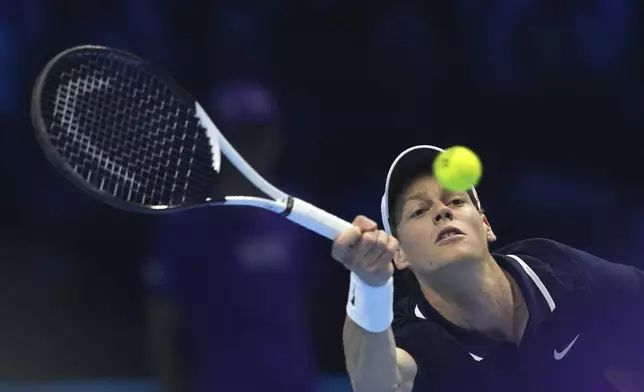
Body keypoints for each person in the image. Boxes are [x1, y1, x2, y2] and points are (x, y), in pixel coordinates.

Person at [332, 144, 644, 392]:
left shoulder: (552, 268)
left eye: (454, 201)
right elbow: (378, 385)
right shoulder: (412, 334)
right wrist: (368, 284)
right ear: (399, 255)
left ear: (485, 225)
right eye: (419, 211)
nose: (441, 212)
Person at [143, 80, 318, 392]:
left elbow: (309, 302)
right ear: (218, 143)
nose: (256, 147)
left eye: (264, 134)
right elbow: (163, 322)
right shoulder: (187, 225)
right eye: (243, 136)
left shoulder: (298, 214)